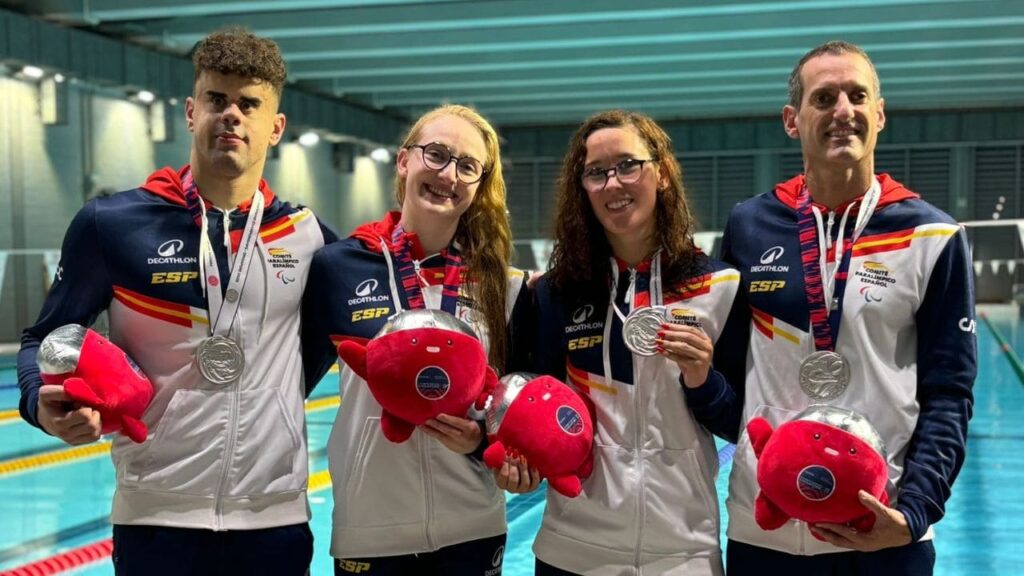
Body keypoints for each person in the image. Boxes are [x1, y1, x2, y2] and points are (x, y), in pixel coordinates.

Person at [16, 28, 337, 575]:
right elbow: (42, 341)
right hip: (154, 516)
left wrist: (273, 398)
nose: (231, 114)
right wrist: (40, 407)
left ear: (276, 127)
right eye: (217, 99)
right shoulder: (113, 225)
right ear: (191, 112)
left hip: (274, 518)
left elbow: (326, 342)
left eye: (249, 104)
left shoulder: (308, 238)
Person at [684, 40, 977, 575]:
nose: (843, 110)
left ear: (880, 113)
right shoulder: (750, 226)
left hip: (882, 531)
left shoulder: (933, 235)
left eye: (857, 95)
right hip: (765, 531)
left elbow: (950, 392)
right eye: (824, 98)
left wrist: (912, 514)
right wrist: (701, 384)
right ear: (792, 120)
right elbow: (729, 383)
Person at [303, 104, 535, 576]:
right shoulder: (337, 267)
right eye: (436, 154)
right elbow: (290, 386)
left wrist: (480, 442)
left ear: (478, 185)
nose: (448, 174)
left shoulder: (502, 284)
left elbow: (511, 404)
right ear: (404, 161)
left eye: (466, 165)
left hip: (472, 525)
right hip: (370, 527)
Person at [530, 109, 742, 575]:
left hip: (682, 550)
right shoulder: (555, 293)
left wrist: (702, 379)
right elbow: (537, 404)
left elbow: (739, 423)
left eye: (629, 165)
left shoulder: (720, 285)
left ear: (661, 173)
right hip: (573, 548)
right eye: (596, 173)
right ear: (581, 189)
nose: (613, 183)